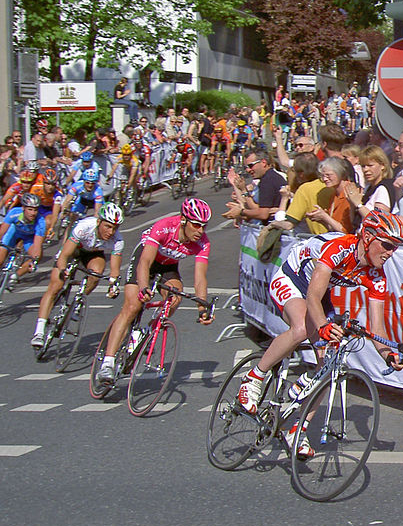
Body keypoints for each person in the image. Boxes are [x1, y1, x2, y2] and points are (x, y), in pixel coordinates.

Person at [235, 210, 403, 457]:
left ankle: (297, 429)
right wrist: (322, 326)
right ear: (369, 237)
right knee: (302, 328)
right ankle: (253, 377)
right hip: (292, 278)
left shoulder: (376, 276)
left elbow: (377, 328)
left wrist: (388, 355)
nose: (391, 253)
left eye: (395, 248)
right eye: (388, 245)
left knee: (329, 364)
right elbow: (312, 297)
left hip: (319, 292)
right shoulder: (340, 249)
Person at [96, 199, 215, 382]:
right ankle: (107, 363)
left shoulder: (203, 243)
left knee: (175, 297)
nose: (200, 231)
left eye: (204, 226)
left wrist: (202, 308)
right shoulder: (164, 227)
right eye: (196, 225)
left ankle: (146, 331)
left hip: (167, 267)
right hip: (146, 259)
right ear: (183, 220)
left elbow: (200, 278)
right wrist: (144, 287)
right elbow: (144, 262)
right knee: (133, 306)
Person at [31, 203, 124, 347]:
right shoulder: (84, 227)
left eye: (115, 228)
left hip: (92, 253)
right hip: (73, 249)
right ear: (99, 222)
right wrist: (63, 270)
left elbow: (115, 270)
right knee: (56, 285)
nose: (111, 232)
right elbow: (64, 255)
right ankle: (39, 331)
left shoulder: (118, 240)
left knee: (97, 273)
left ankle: (78, 302)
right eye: (108, 226)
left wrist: (113, 285)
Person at [223, 149, 287, 224]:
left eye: (251, 166)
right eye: (246, 167)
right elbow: (257, 209)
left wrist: (241, 212)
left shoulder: (268, 180)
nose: (248, 170)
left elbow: (263, 214)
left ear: (263, 163)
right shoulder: (268, 178)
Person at [345, 146, 397, 228]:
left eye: (370, 165)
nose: (365, 170)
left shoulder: (383, 189)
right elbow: (355, 223)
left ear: (382, 165)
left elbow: (379, 221)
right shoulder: (369, 188)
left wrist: (358, 204)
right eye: (363, 166)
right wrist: (352, 204)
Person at [0, 192, 45, 287]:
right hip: (14, 232)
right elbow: (2, 232)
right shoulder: (14, 213)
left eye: (35, 210)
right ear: (23, 208)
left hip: (29, 237)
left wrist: (35, 260)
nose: (33, 213)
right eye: (30, 209)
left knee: (38, 256)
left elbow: (37, 245)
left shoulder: (41, 222)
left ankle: (15, 276)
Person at [304, 156, 358, 233]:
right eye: (323, 176)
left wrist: (325, 217)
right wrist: (321, 219)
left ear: (340, 173)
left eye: (328, 175)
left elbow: (346, 230)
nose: (325, 179)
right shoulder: (334, 195)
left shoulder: (350, 193)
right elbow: (333, 227)